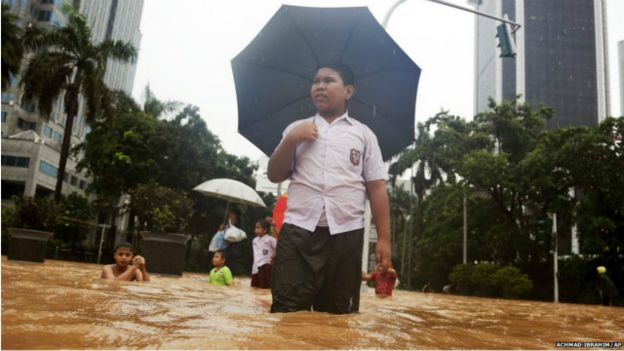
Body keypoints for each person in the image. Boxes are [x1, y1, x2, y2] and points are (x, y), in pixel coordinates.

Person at [267, 61, 391, 314]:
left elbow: (376, 187)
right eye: (316, 81)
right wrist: (292, 139)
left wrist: (385, 239)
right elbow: (274, 175)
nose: (320, 86)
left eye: (328, 80)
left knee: (338, 317)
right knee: (286, 311)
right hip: (299, 231)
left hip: (346, 234)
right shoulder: (296, 129)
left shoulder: (364, 134)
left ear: (348, 91)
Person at [251, 219, 277, 289]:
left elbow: (278, 246)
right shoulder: (254, 240)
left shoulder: (270, 239)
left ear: (265, 230)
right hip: (255, 267)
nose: (256, 230)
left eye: (258, 228)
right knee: (254, 288)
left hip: (266, 267)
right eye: (255, 228)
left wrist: (273, 256)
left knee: (264, 289)